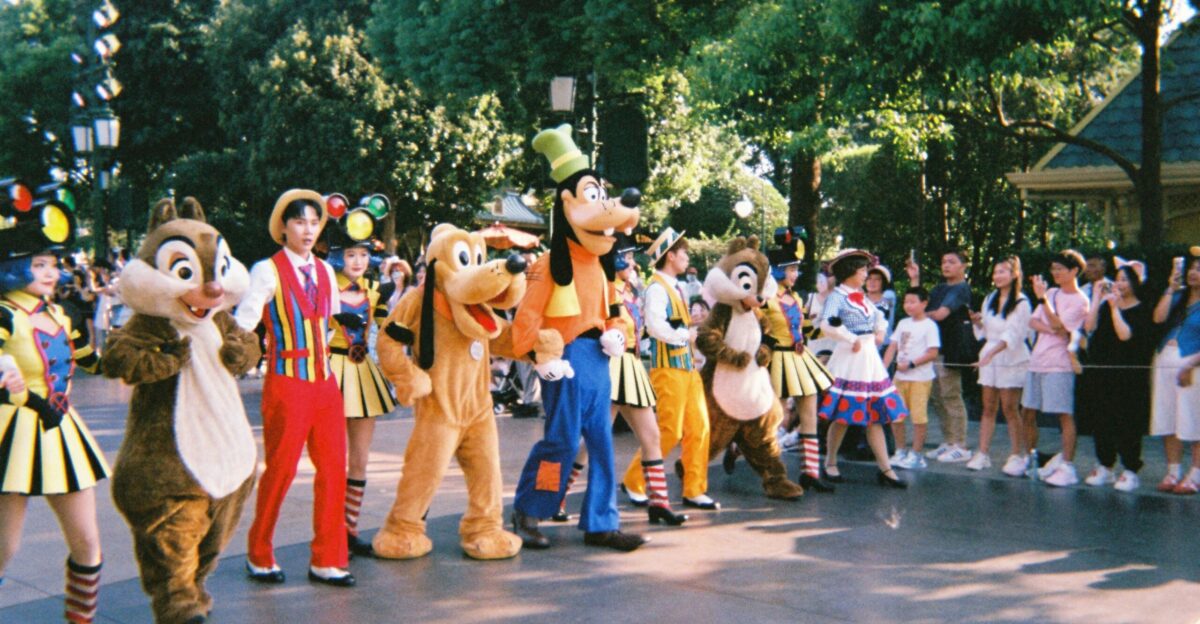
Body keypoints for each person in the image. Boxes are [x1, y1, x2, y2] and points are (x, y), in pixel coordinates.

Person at [233, 189, 354, 587]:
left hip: (325, 384)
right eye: (299, 221)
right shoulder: (265, 270)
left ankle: (328, 558)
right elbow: (242, 326)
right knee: (281, 470)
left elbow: (332, 325)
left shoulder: (324, 271)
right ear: (283, 228)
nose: (307, 229)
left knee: (335, 470)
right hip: (287, 381)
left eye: (314, 222)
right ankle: (259, 552)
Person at [0, 237, 109, 623]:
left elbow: (94, 362)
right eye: (39, 264)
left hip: (61, 432)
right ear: (14, 268)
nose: (50, 273)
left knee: (87, 543)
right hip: (10, 436)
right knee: (3, 547)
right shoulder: (4, 314)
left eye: (52, 265)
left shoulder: (62, 316)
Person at [556, 250, 688, 526]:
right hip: (611, 366)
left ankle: (659, 504)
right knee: (591, 441)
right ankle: (558, 496)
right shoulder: (604, 290)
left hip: (632, 368)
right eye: (626, 259)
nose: (633, 264)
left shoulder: (629, 293)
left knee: (651, 436)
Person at [622, 228, 720, 510]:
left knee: (699, 428)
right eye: (683, 252)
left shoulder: (674, 287)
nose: (687, 256)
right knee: (668, 430)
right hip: (668, 370)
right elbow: (655, 326)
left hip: (687, 371)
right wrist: (684, 336)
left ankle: (694, 489)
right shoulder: (656, 288)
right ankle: (633, 481)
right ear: (671, 256)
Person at [327, 230, 397, 557]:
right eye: (351, 254)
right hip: (331, 369)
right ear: (339, 256)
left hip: (363, 372)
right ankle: (328, 531)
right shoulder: (325, 287)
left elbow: (386, 327)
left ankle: (349, 529)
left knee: (360, 458)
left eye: (363, 255)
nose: (358, 261)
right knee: (331, 459)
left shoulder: (373, 290)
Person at [818, 249, 909, 488]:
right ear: (849, 272)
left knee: (875, 416)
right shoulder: (837, 296)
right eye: (862, 271)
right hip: (850, 357)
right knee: (842, 415)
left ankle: (885, 468)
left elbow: (879, 316)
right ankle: (830, 462)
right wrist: (850, 338)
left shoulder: (860, 296)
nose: (865, 275)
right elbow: (826, 324)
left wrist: (880, 331)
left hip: (868, 358)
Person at [762, 248, 835, 491]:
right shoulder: (765, 299)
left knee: (809, 415)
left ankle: (811, 472)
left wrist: (827, 326)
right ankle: (747, 455)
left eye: (796, 269)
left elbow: (805, 330)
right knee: (775, 418)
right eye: (792, 269)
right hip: (777, 361)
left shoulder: (796, 298)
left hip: (800, 359)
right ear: (778, 270)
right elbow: (758, 330)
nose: (796, 274)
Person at [1078, 258, 1153, 491]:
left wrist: (1115, 309)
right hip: (1103, 373)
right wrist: (1098, 299)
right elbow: (1089, 327)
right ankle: (1105, 465)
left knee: (1128, 422)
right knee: (1102, 419)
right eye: (1117, 279)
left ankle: (1130, 469)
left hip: (1129, 377)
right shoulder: (1104, 305)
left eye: (1124, 279)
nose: (1119, 284)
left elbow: (1125, 335)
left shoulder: (1141, 308)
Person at [1022, 250, 1090, 487]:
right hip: (1037, 360)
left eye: (1060, 269)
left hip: (1060, 364)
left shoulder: (1081, 300)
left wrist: (1043, 303)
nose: (1055, 273)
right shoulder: (1051, 292)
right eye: (1053, 269)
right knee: (1027, 412)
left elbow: (1062, 325)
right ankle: (1030, 458)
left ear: (1074, 271)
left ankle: (1068, 466)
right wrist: (1053, 327)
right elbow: (1035, 322)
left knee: (1064, 415)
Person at [906, 249, 973, 463]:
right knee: (937, 397)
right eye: (944, 261)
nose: (946, 265)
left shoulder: (961, 289)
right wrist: (915, 279)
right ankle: (948, 440)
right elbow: (919, 302)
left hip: (951, 350)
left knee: (951, 395)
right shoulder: (939, 288)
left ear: (963, 266)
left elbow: (941, 314)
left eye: (952, 262)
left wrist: (921, 314)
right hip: (933, 351)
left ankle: (960, 445)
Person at [966, 256, 1032, 475]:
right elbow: (986, 331)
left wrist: (990, 354)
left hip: (1010, 357)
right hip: (990, 355)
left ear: (1014, 274)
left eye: (1002, 271)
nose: (997, 276)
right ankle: (982, 453)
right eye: (995, 272)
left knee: (1010, 408)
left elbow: (1013, 334)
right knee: (988, 407)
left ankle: (1017, 455)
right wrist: (977, 322)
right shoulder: (990, 298)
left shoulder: (1022, 302)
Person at [1149, 249, 1200, 494]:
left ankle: (1196, 474)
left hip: (1192, 363)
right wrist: (1170, 288)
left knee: (1193, 419)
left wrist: (1191, 365)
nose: (1194, 273)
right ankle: (1173, 471)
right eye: (1192, 268)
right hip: (1165, 360)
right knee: (1167, 417)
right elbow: (1158, 318)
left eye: (1199, 270)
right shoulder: (1178, 297)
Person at [884, 287, 940, 471]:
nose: (908, 305)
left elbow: (933, 352)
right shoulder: (903, 323)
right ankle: (900, 451)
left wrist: (912, 364)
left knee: (918, 417)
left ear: (924, 303)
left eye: (913, 301)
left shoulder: (929, 326)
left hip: (920, 379)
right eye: (906, 302)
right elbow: (892, 346)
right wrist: (883, 370)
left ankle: (916, 454)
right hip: (900, 378)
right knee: (896, 416)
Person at [865, 265, 897, 350]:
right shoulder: (860, 299)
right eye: (869, 278)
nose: (872, 282)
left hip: (884, 347)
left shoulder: (889, 296)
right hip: (864, 347)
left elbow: (881, 313)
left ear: (884, 282)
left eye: (877, 279)